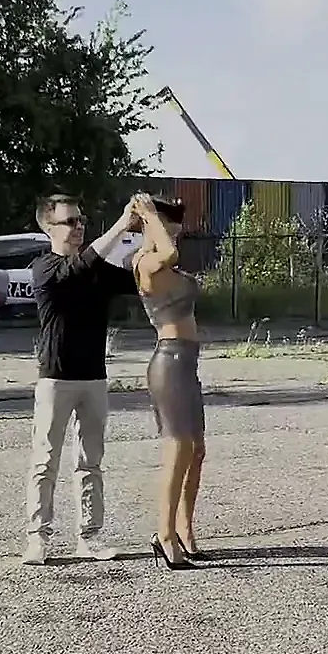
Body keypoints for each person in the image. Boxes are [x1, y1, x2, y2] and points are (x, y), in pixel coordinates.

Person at [22, 193, 141, 566]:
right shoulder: (44, 268)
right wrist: (121, 224)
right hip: (56, 379)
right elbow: (79, 265)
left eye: (82, 220)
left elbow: (140, 278)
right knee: (46, 461)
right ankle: (37, 538)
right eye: (70, 221)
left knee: (91, 462)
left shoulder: (98, 269)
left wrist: (156, 228)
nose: (79, 227)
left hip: (94, 378)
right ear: (49, 228)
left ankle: (89, 538)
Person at [129, 193, 207, 568]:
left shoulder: (163, 261)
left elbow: (173, 250)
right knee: (178, 449)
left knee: (197, 450)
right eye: (167, 220)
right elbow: (170, 253)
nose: (175, 228)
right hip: (170, 362)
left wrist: (156, 219)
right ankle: (164, 535)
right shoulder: (146, 262)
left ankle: (185, 530)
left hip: (186, 363)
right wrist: (148, 215)